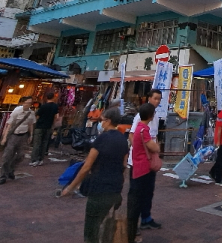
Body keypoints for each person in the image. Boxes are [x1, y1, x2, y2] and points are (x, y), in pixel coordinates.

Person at [62, 108, 129, 243]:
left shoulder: (101, 139)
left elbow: (87, 166)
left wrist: (71, 187)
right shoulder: (123, 140)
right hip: (115, 188)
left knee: (92, 228)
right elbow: (124, 164)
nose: (100, 123)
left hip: (99, 188)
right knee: (106, 226)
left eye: (101, 120)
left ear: (108, 121)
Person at [128, 88, 162, 230]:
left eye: (159, 99)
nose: (157, 101)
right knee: (136, 193)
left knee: (149, 190)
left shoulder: (156, 117)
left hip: (150, 161)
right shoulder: (139, 118)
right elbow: (131, 135)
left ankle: (146, 218)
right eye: (155, 98)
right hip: (138, 161)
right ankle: (131, 224)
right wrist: (145, 149)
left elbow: (154, 137)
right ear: (149, 98)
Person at [0, 96, 35, 185]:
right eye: (27, 102)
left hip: (23, 136)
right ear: (23, 102)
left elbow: (30, 124)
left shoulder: (31, 113)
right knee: (7, 156)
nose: (29, 104)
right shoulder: (16, 111)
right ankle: (3, 175)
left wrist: (31, 135)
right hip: (14, 136)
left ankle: (11, 169)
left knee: (21, 155)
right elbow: (9, 124)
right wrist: (5, 137)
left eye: (30, 103)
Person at [30, 91, 59, 167]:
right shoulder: (55, 106)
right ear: (53, 97)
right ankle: (40, 159)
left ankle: (34, 159)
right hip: (48, 126)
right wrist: (53, 125)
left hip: (40, 126)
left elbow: (37, 116)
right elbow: (56, 117)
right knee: (44, 143)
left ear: (46, 97)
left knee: (37, 143)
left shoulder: (43, 106)